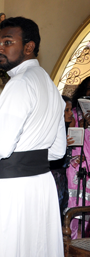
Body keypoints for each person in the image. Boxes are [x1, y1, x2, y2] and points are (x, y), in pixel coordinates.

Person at [0, 17, 66, 257]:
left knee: (7, 253)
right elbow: (57, 150)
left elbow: (0, 146)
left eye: (8, 42)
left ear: (29, 47)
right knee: (35, 253)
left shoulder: (19, 83)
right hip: (40, 186)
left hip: (11, 189)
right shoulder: (50, 85)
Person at [66, 76, 90, 239]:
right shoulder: (73, 113)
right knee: (74, 205)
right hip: (76, 162)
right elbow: (68, 138)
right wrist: (81, 126)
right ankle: (72, 246)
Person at [50, 95, 74, 225]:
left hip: (63, 175)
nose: (70, 113)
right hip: (53, 175)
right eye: (66, 110)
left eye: (70, 110)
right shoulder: (52, 131)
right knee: (53, 211)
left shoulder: (67, 128)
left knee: (62, 210)